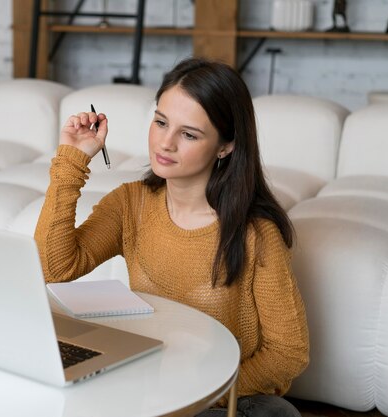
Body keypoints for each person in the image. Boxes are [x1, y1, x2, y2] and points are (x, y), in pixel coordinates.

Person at [34, 57, 309, 417]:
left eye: (189, 134)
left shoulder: (257, 233)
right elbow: (53, 267)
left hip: (223, 397)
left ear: (226, 146)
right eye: (161, 122)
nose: (165, 143)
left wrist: (192, 393)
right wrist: (72, 158)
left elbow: (288, 352)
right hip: (142, 386)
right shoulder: (129, 203)